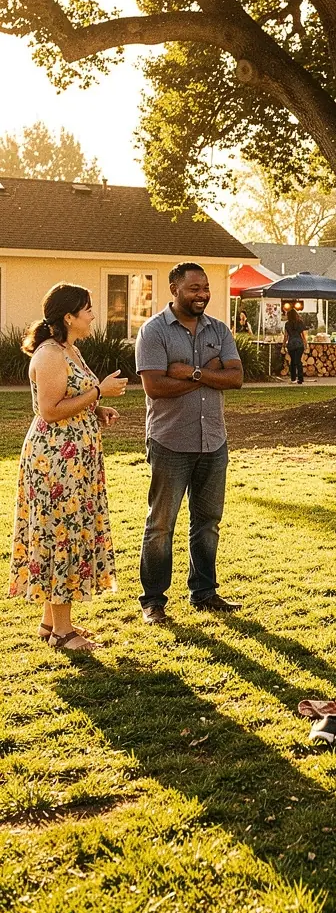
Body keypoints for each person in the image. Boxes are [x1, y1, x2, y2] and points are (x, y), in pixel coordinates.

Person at [9, 283, 127, 652]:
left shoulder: (71, 350)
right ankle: (64, 632)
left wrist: (97, 408)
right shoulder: (48, 355)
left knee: (69, 535)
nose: (93, 314)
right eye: (87, 309)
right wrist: (99, 394)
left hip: (77, 460)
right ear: (69, 316)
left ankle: (50, 623)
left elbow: (71, 399)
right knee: (59, 537)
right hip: (55, 462)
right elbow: (49, 411)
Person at [136, 262, 244, 624]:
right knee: (161, 524)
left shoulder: (219, 329)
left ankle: (204, 592)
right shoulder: (153, 332)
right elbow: (156, 386)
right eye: (194, 288)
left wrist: (192, 372)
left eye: (206, 288)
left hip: (213, 440)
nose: (202, 295)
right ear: (174, 289)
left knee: (208, 521)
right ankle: (153, 601)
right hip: (171, 442)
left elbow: (237, 379)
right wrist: (212, 374)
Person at [284, 307, 308, 384]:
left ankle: (293, 378)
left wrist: (284, 345)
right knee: (299, 361)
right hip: (299, 343)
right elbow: (303, 334)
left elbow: (286, 336)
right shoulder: (300, 322)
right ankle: (300, 379)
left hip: (291, 344)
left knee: (293, 361)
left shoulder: (287, 324)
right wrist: (305, 343)